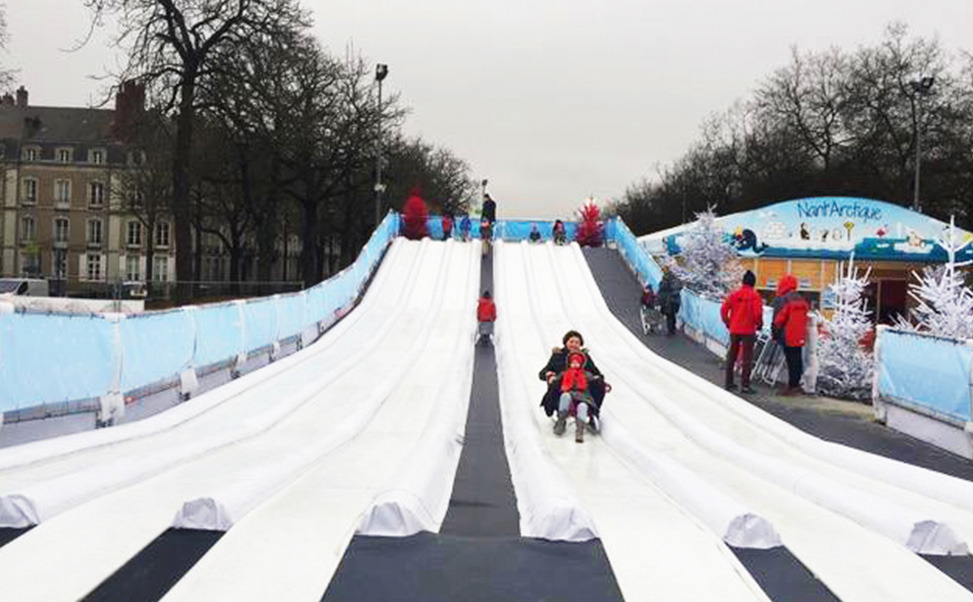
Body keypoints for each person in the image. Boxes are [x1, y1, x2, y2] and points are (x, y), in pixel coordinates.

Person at [539, 330, 611, 430]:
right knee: (557, 381)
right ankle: (560, 416)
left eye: (577, 342)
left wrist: (600, 381)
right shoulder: (558, 356)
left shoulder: (585, 357)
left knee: (599, 384)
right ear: (566, 343)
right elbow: (542, 373)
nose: (574, 345)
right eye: (571, 342)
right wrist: (549, 374)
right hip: (562, 387)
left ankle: (593, 415)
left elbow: (596, 373)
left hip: (582, 389)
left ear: (580, 344)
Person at [720, 270, 763, 394]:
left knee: (731, 355)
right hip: (748, 330)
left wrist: (727, 322)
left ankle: (728, 382)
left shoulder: (735, 294)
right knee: (747, 358)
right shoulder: (755, 296)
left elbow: (723, 309)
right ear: (753, 283)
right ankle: (745, 386)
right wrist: (759, 325)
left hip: (734, 329)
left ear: (743, 281)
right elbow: (758, 314)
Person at [551, 351, 602, 443]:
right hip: (569, 394)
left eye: (577, 363)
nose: (575, 365)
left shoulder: (586, 374)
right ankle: (561, 422)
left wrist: (598, 380)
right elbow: (557, 378)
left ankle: (579, 431)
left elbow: (594, 379)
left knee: (582, 406)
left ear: (581, 364)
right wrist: (552, 378)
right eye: (573, 363)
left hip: (583, 397)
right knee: (564, 396)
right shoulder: (565, 373)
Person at [773, 274, 809, 396]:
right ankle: (796, 384)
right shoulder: (801, 299)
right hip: (799, 336)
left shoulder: (782, 299)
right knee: (797, 360)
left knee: (790, 360)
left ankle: (792, 387)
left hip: (787, 335)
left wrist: (775, 335)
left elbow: (777, 319)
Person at [657, 267, 682, 336]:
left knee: (669, 317)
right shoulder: (676, 281)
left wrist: (659, 302)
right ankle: (673, 329)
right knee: (672, 316)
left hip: (668, 302)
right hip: (675, 302)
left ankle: (670, 331)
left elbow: (661, 291)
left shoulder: (665, 283)